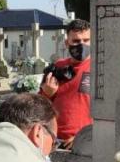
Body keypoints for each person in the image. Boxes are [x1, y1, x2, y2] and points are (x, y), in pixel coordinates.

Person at [40, 18, 93, 148]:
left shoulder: (99, 69)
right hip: (53, 141)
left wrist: (84, 137)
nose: (81, 45)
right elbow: (38, 106)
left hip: (84, 142)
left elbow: (108, 112)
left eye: (86, 40)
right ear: (66, 43)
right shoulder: (57, 67)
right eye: (76, 41)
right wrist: (47, 94)